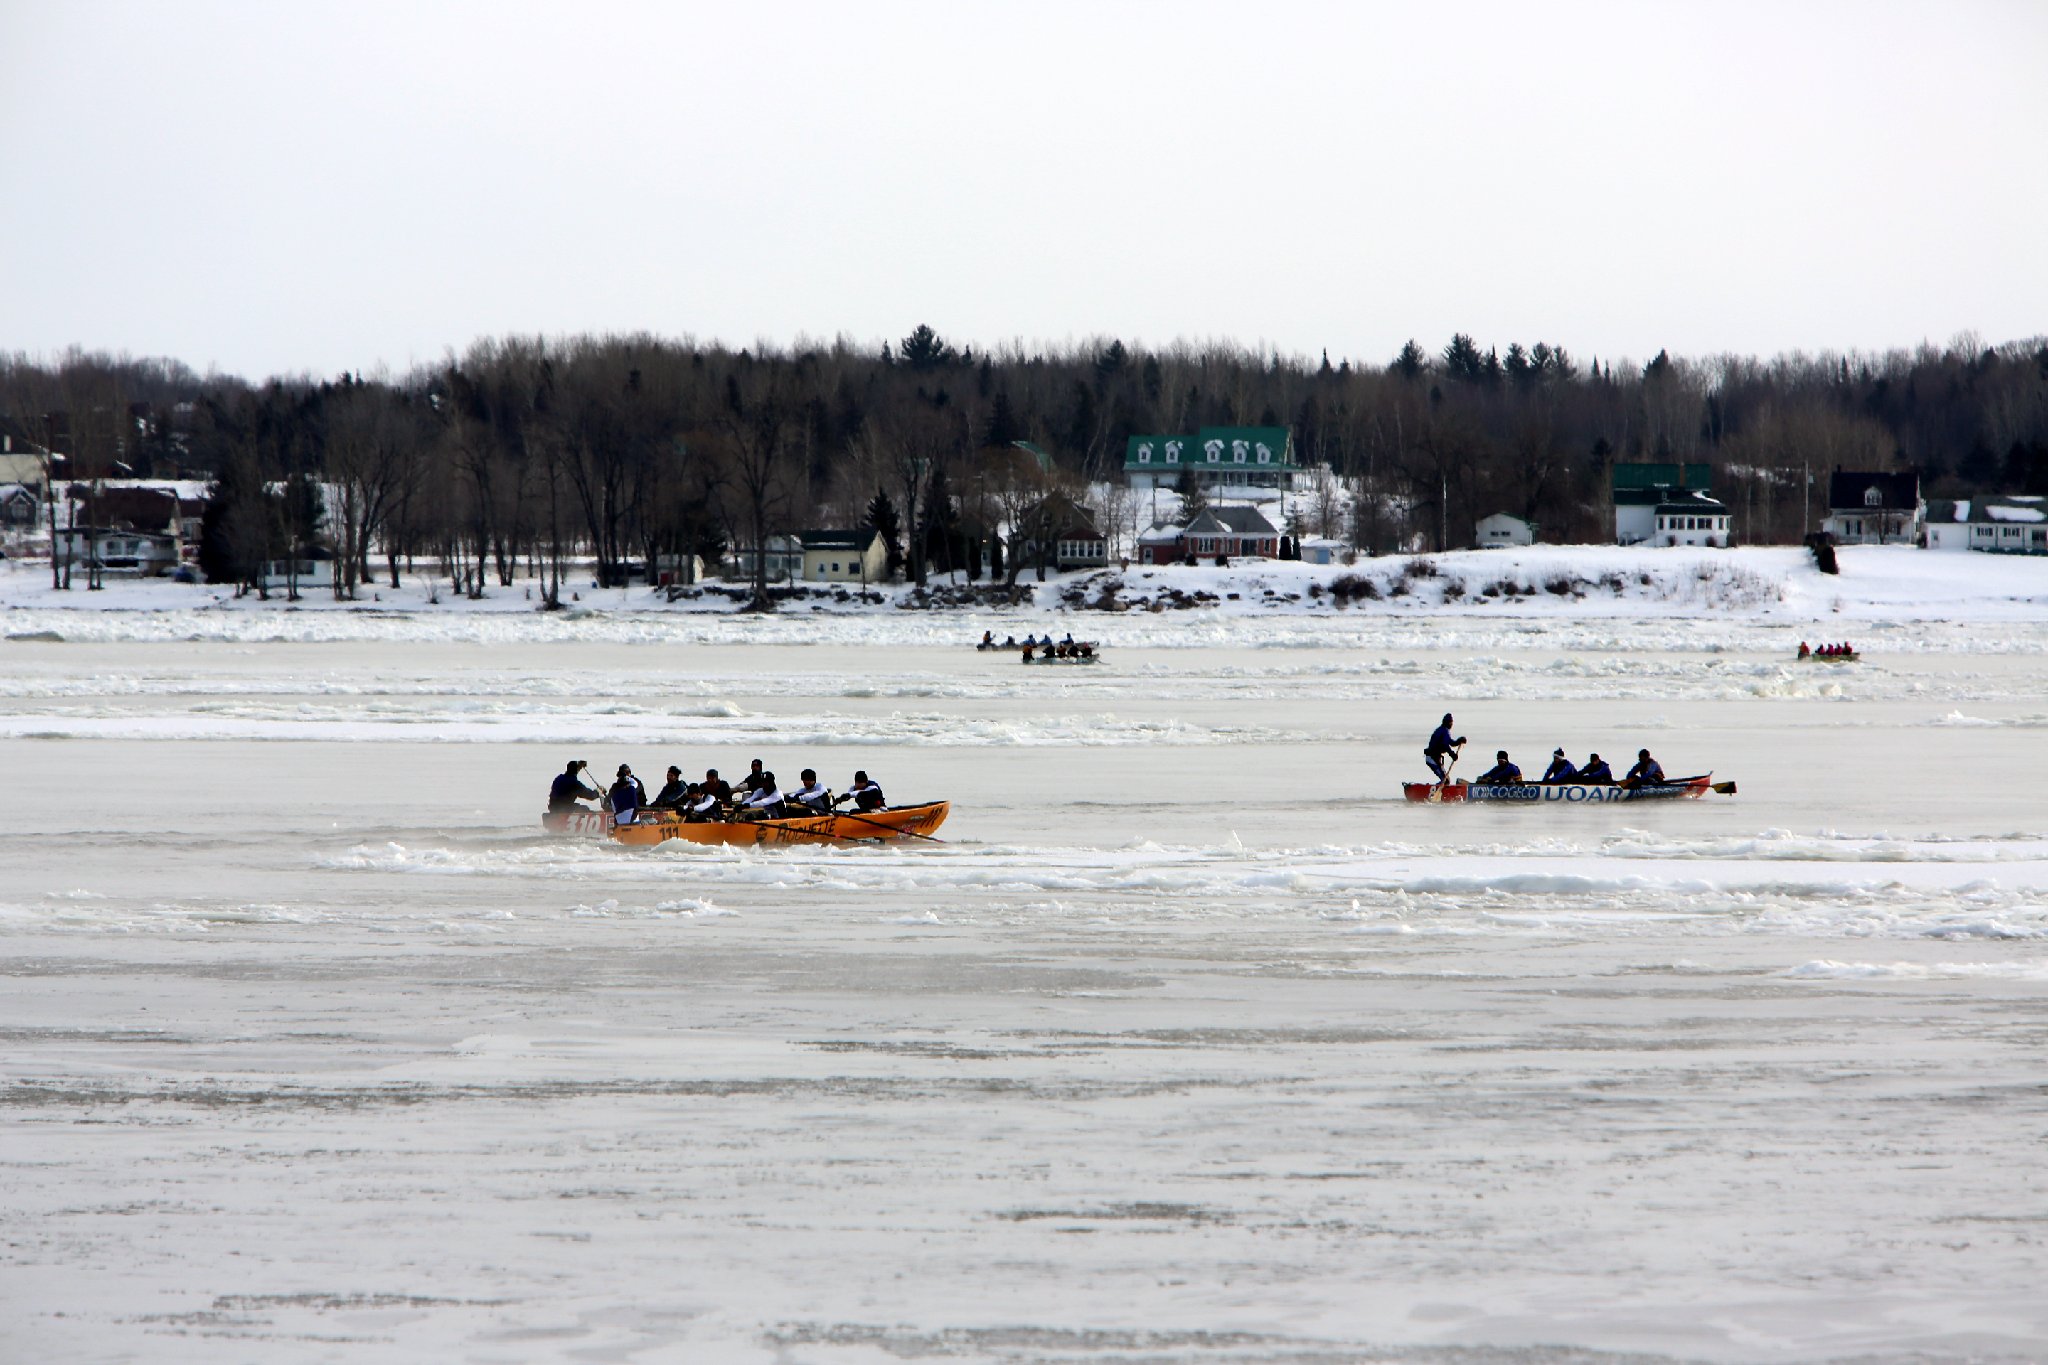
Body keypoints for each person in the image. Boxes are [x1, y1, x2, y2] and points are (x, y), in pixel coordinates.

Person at [1424, 713, 1466, 783]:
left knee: (1446, 780)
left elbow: (1451, 743)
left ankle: (1437, 787)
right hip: (1432, 758)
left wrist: (1459, 741)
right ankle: (1433, 789)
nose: (1452, 724)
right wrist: (1452, 754)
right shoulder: (1443, 731)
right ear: (1448, 722)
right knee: (1445, 780)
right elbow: (1445, 745)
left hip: (1435, 758)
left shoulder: (1443, 730)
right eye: (1451, 722)